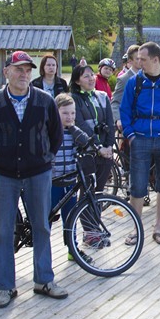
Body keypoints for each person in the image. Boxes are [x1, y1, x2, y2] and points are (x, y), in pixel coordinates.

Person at [0, 50, 65, 309]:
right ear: (6, 72)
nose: (23, 74)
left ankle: (44, 280)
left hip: (38, 174)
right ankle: (5, 286)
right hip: (4, 176)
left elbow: (55, 134)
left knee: (42, 226)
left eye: (27, 70)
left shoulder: (44, 101)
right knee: (4, 232)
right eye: (18, 69)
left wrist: (45, 158)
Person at [119, 41, 160, 245]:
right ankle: (136, 228)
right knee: (137, 186)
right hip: (139, 139)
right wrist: (130, 135)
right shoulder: (134, 82)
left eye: (142, 59)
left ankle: (158, 227)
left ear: (156, 60)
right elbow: (124, 110)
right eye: (137, 58)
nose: (138, 62)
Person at [51, 93, 93, 259]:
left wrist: (73, 127)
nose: (70, 117)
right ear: (56, 113)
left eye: (73, 113)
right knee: (47, 218)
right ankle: (44, 252)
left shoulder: (74, 133)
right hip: (52, 182)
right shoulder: (51, 132)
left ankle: (72, 250)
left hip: (69, 181)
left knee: (70, 219)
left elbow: (86, 141)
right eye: (65, 113)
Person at [70, 64, 115, 195]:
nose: (91, 79)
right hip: (87, 152)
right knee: (87, 193)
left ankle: (96, 216)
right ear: (77, 81)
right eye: (86, 76)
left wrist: (109, 146)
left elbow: (110, 123)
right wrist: (98, 147)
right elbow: (80, 124)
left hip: (105, 152)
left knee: (99, 193)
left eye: (92, 75)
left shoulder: (102, 96)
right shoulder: (74, 98)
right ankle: (85, 217)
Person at [112, 45, 141, 128]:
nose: (140, 61)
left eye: (142, 58)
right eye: (137, 58)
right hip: (131, 124)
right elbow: (115, 102)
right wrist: (118, 119)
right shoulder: (124, 79)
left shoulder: (148, 77)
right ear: (130, 61)